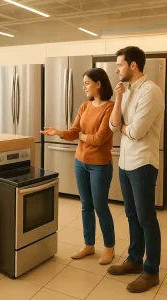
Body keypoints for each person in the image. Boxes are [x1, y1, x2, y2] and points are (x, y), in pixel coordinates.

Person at [41, 68, 115, 265]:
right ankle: (89, 245)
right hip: (80, 162)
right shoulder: (84, 106)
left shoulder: (110, 108)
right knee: (86, 205)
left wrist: (81, 137)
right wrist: (58, 132)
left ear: (98, 84)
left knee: (100, 206)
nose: (84, 87)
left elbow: (99, 139)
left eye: (86, 83)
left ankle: (109, 247)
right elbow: (74, 132)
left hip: (100, 165)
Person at [108, 46, 165, 293]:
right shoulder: (128, 91)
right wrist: (118, 97)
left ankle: (151, 271)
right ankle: (134, 260)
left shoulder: (151, 91)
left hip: (143, 164)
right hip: (125, 162)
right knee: (131, 215)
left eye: (119, 64)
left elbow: (136, 131)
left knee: (146, 219)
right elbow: (113, 125)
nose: (116, 69)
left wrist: (123, 128)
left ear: (133, 65)